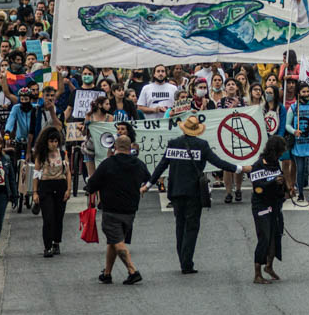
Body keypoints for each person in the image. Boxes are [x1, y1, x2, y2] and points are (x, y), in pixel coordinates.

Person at [143, 116, 251, 274]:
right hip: (194, 193)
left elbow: (162, 165)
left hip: (176, 192)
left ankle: (182, 259)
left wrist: (148, 185)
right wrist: (241, 168)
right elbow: (219, 163)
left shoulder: (173, 143)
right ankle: (187, 263)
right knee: (191, 228)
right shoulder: (202, 145)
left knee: (180, 227)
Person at [85, 136, 150, 285]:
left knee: (117, 242)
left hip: (111, 209)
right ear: (130, 147)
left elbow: (93, 183)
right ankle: (107, 273)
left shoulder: (108, 164)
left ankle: (132, 271)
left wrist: (90, 191)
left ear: (115, 146)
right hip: (130, 210)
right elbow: (148, 178)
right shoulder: (138, 164)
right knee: (113, 240)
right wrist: (141, 188)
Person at [249, 135, 289, 284]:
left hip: (275, 205)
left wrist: (285, 187)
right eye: (280, 152)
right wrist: (273, 181)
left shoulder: (275, 164)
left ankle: (269, 266)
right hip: (261, 206)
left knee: (276, 236)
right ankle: (257, 273)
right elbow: (258, 188)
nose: (281, 154)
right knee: (264, 238)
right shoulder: (258, 165)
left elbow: (280, 181)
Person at [31, 126, 71, 257]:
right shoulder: (41, 155)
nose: (54, 144)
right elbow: (36, 174)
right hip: (45, 187)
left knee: (58, 217)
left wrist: (68, 189)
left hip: (60, 186)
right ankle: (47, 246)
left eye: (56, 141)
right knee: (48, 218)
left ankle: (56, 242)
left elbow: (68, 172)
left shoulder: (63, 154)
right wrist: (35, 192)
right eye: (51, 141)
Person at [286, 82, 309, 202]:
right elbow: (287, 124)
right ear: (299, 93)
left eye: (308, 91)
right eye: (303, 92)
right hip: (299, 144)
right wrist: (293, 131)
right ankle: (300, 192)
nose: (306, 94)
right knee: (300, 170)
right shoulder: (293, 107)